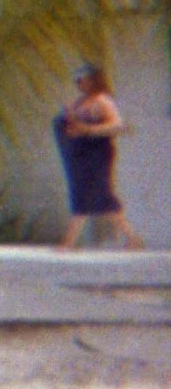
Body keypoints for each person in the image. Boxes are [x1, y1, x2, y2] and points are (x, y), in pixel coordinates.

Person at [55, 63, 144, 251]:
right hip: (80, 155)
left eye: (83, 79)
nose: (79, 83)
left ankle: (69, 241)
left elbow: (116, 125)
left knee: (88, 193)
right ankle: (132, 237)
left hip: (98, 154)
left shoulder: (103, 101)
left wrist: (89, 130)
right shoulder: (78, 102)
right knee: (100, 196)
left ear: (93, 80)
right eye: (77, 80)